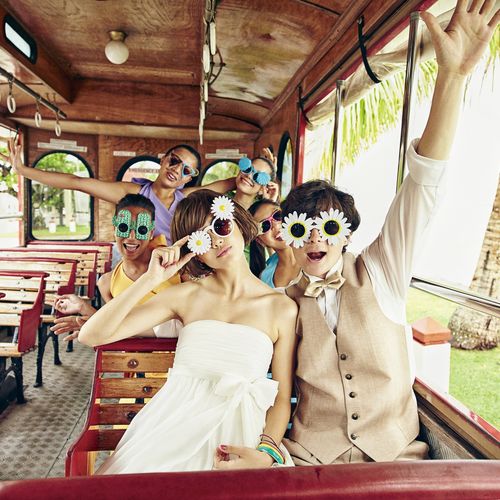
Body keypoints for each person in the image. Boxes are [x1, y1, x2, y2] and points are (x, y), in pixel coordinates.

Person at [278, 1, 499, 465]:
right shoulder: (283, 300)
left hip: (397, 457)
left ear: (347, 234)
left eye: (329, 226)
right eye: (303, 229)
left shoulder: (382, 269)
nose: (316, 239)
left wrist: (452, 76)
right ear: (289, 236)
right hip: (310, 458)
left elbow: (423, 184)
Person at [78, 190, 297, 473]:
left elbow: (281, 398)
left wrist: (266, 453)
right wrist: (151, 279)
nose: (216, 241)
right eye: (202, 238)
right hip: (172, 428)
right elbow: (91, 335)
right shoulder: (184, 296)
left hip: (243, 435)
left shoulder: (281, 308)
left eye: (220, 226)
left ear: (239, 223)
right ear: (192, 251)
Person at [0, 142, 235, 245]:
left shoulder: (189, 198)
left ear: (189, 178)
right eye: (174, 161)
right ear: (163, 159)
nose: (176, 170)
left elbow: (230, 183)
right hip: (139, 270)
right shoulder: (133, 193)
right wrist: (23, 170)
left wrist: (253, 174)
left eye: (186, 170)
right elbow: (77, 182)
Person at [51, 194, 180, 341]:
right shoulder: (106, 283)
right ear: (114, 229)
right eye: (124, 227)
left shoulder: (176, 266)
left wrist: (91, 322)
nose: (131, 237)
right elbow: (115, 325)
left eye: (142, 230)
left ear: (151, 233)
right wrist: (83, 308)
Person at [249, 199, 300, 290]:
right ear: (260, 241)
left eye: (277, 215)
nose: (276, 226)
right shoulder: (265, 279)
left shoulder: (317, 250)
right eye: (265, 226)